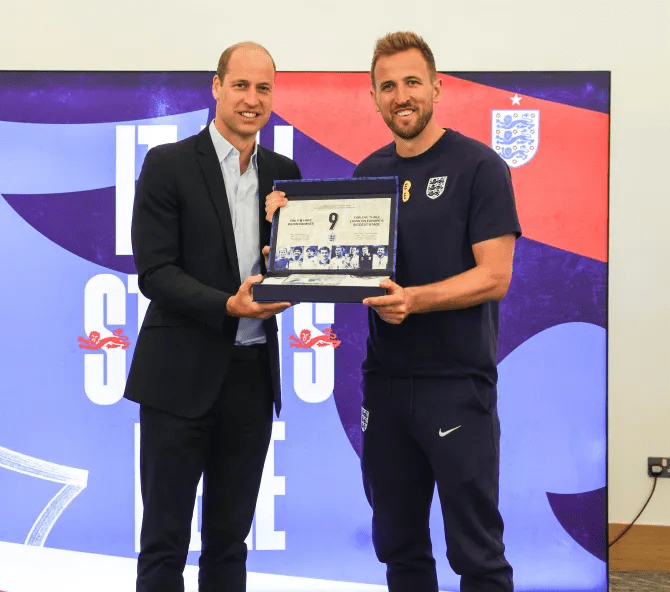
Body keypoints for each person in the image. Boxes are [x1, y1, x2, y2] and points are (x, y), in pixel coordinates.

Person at [124, 41, 301, 592]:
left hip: (250, 378)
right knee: (164, 543)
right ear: (217, 87)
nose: (252, 99)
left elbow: (293, 263)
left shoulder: (285, 173)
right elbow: (155, 272)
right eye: (241, 85)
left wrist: (292, 265)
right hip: (178, 379)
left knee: (229, 544)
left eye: (264, 88)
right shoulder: (169, 163)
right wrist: (228, 304)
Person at [355, 32, 520, 592]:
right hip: (384, 385)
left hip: (456, 386)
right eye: (388, 86)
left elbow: (496, 276)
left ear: (436, 87)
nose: (401, 96)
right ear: (374, 97)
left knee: (478, 556)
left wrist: (415, 300)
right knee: (399, 548)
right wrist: (282, 240)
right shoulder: (367, 174)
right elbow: (341, 267)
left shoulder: (480, 167)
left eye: (411, 82)